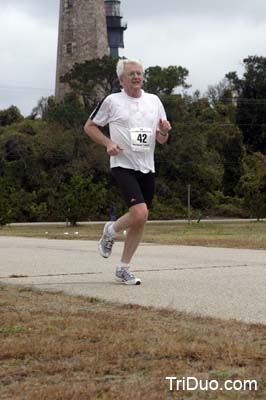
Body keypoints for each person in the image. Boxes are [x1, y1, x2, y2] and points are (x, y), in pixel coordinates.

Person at [84, 58, 171, 285]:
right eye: (131, 73)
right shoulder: (112, 101)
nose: (136, 77)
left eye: (139, 73)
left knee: (140, 220)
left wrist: (164, 132)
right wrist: (107, 143)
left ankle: (123, 268)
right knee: (140, 213)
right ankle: (110, 231)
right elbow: (89, 126)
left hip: (146, 166)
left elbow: (161, 139)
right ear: (122, 79)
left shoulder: (154, 101)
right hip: (123, 164)